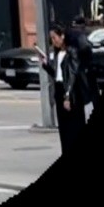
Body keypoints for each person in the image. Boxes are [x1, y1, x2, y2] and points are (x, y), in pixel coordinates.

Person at [36, 24, 88, 154]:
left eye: (54, 37)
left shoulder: (72, 52)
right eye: (51, 39)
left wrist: (68, 96)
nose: (53, 41)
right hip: (60, 90)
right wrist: (46, 65)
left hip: (70, 92)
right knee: (64, 127)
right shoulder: (58, 53)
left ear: (62, 36)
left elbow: (72, 75)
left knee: (73, 126)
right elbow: (58, 74)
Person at [67, 17, 99, 114]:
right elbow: (85, 47)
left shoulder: (69, 34)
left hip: (73, 68)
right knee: (89, 92)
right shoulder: (79, 35)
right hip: (83, 68)